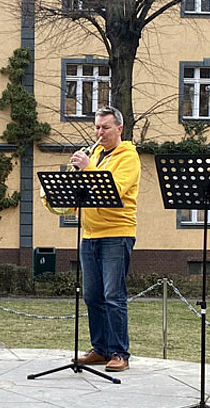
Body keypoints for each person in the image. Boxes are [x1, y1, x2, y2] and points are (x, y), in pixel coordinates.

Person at [69, 106, 140, 373]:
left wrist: (88, 168)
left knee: (113, 295)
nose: (99, 133)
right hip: (89, 234)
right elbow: (83, 191)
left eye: (105, 127)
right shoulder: (96, 154)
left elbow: (113, 189)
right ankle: (100, 348)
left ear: (119, 129)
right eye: (97, 127)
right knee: (92, 296)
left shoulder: (129, 157)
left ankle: (120, 352)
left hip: (116, 234)